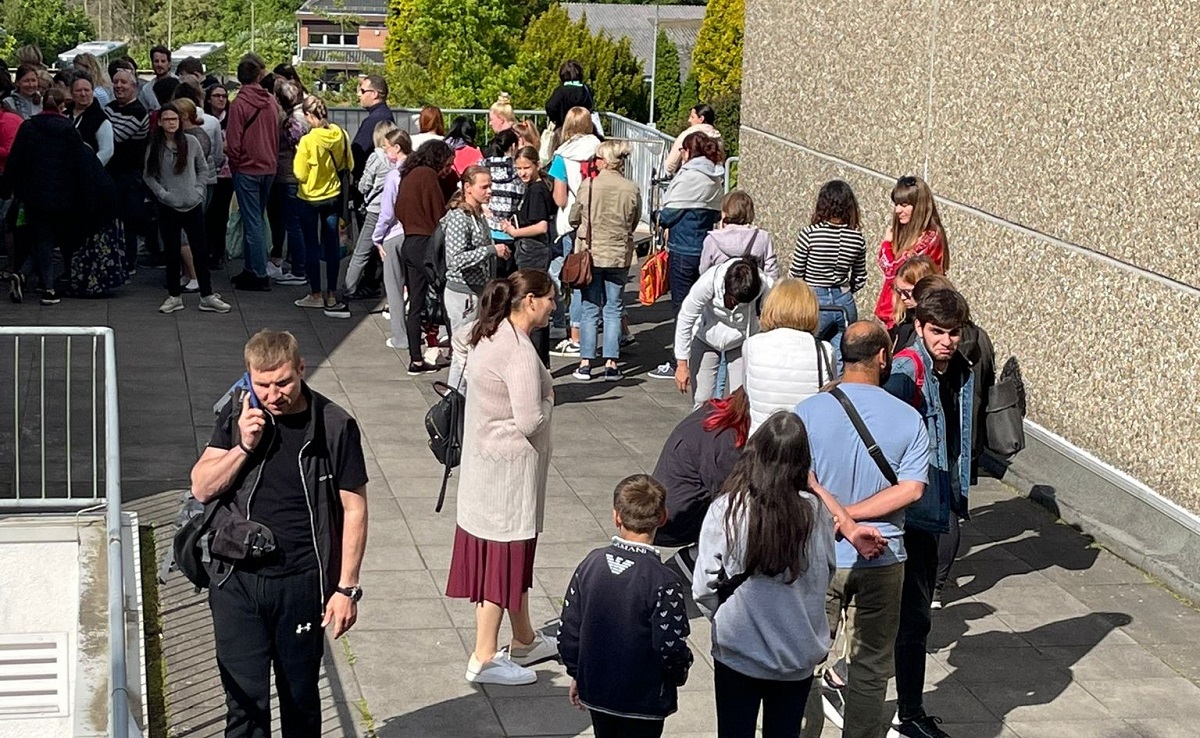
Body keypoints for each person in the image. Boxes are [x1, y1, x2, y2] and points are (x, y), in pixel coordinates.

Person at [190, 329, 368, 737]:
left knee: (301, 699)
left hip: (300, 583)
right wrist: (245, 446)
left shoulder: (334, 425)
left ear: (301, 370)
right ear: (249, 378)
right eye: (263, 384)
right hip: (237, 580)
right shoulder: (237, 414)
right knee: (244, 705)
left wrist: (346, 589)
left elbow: (354, 508)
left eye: (283, 382)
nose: (274, 394)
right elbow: (201, 487)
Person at [796, 321, 929, 738]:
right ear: (883, 357)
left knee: (803, 665)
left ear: (842, 356)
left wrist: (841, 519)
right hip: (885, 557)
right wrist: (856, 517)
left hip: (820, 553)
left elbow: (801, 479)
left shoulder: (808, 411)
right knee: (870, 670)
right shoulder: (908, 418)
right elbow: (911, 489)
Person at [691, 411, 838, 738]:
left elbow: (703, 585)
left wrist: (720, 617)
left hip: (738, 652)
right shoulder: (817, 512)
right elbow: (827, 571)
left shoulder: (728, 509)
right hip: (796, 656)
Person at [446, 271, 558, 686]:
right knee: (502, 562)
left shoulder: (488, 332)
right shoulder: (518, 351)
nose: (554, 307)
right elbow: (531, 420)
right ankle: (484, 656)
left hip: (484, 470)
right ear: (530, 301)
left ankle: (525, 639)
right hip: (506, 478)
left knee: (509, 558)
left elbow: (460, 343)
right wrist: (549, 398)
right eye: (550, 299)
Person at [882, 289, 974, 738]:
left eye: (954, 332)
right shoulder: (907, 371)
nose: (947, 341)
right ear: (918, 327)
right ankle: (909, 713)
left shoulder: (958, 367)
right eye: (937, 331)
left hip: (936, 501)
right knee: (910, 616)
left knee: (912, 616)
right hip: (911, 510)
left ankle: (909, 710)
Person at [558, 474, 694, 738]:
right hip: (644, 699)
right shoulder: (664, 579)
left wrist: (578, 672)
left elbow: (568, 630)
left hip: (598, 691)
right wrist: (680, 670)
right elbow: (670, 643)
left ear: (616, 516)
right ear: (662, 518)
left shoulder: (591, 564)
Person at [5, 88, 97, 305]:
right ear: (62, 106)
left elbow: (15, 161)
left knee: (42, 237)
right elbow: (81, 164)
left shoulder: (28, 127)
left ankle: (24, 274)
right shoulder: (69, 130)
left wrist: (8, 188)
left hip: (33, 194)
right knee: (49, 239)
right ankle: (48, 288)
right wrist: (87, 195)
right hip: (63, 195)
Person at [648, 132, 725, 380]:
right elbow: (714, 214)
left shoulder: (688, 176)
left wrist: (656, 215)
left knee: (682, 308)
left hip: (682, 249)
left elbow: (669, 215)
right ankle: (700, 352)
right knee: (703, 305)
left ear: (689, 152)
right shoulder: (716, 177)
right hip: (705, 249)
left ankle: (680, 360)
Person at [144, 102, 230, 315]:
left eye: (174, 119)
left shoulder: (191, 142)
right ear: (161, 122)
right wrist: (163, 195)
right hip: (168, 206)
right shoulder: (154, 145)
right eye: (167, 119)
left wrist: (199, 190)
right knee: (172, 252)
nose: (171, 123)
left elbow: (203, 167)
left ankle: (207, 295)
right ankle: (174, 296)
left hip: (192, 204)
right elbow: (148, 175)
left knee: (200, 250)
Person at [567, 140, 640, 382]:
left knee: (590, 308)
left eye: (598, 158)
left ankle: (586, 362)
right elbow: (634, 219)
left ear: (606, 161)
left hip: (591, 253)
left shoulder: (589, 185)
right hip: (619, 254)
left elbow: (573, 217)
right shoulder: (631, 188)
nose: (595, 162)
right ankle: (612, 362)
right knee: (614, 308)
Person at [652, 388, 749, 555]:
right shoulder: (726, 441)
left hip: (667, 510)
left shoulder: (714, 414)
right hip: (677, 522)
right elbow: (732, 496)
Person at [395, 140, 459, 373]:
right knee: (447, 295)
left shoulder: (408, 174)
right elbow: (438, 213)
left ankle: (415, 359)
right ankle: (455, 351)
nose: (448, 169)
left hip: (409, 241)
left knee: (416, 303)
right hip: (426, 243)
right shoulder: (428, 176)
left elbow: (398, 209)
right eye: (448, 164)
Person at [791, 180, 868, 371]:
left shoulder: (809, 234)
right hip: (844, 301)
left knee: (808, 354)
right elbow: (860, 277)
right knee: (841, 359)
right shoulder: (856, 238)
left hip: (815, 300)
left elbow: (795, 274)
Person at [673, 258, 772, 406]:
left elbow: (772, 322)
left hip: (741, 340)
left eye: (741, 303)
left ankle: (731, 427)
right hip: (706, 337)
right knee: (701, 397)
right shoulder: (710, 281)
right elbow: (686, 317)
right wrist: (682, 364)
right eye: (733, 300)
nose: (734, 306)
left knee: (738, 400)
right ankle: (700, 426)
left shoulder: (767, 287)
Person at [742, 279, 834, 435]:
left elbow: (747, 388)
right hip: (804, 442)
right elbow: (828, 399)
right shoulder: (823, 350)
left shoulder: (751, 345)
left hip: (761, 440)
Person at [443, 165, 509, 387]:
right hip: (463, 295)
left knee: (471, 349)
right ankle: (453, 401)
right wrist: (491, 251)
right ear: (468, 188)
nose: (490, 191)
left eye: (490, 186)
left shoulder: (477, 213)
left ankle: (464, 399)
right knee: (462, 351)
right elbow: (455, 259)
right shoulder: (459, 217)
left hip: (477, 292)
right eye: (485, 187)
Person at [547, 107, 601, 356]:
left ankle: (576, 336)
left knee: (577, 279)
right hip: (601, 221)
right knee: (604, 279)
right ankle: (616, 332)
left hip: (573, 224)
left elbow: (559, 199)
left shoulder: (562, 156)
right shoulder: (601, 151)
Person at [292, 95, 352, 318]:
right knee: (332, 243)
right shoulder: (341, 134)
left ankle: (315, 294)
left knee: (311, 245)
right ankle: (332, 293)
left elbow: (300, 173)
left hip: (309, 196)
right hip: (333, 195)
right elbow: (349, 163)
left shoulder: (308, 140)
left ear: (309, 116)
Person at [227, 54, 282, 292]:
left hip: (247, 168)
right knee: (257, 219)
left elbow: (233, 141)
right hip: (268, 166)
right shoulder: (270, 101)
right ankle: (251, 269)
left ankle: (258, 273)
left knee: (252, 223)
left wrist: (236, 164)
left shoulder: (239, 103)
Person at [498, 145, 556, 364]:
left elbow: (541, 226)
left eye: (526, 167)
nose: (522, 172)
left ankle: (538, 358)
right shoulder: (532, 188)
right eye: (518, 168)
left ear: (536, 165)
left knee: (533, 304)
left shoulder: (537, 190)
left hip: (533, 252)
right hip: (530, 250)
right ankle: (537, 357)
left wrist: (515, 231)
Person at [875, 175, 948, 327]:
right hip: (895, 312)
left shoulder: (930, 237)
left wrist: (886, 245)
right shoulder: (910, 233)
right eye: (896, 204)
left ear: (919, 205)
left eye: (904, 204)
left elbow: (893, 269)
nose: (897, 210)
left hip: (911, 313)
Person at [345, 118, 399, 299]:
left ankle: (348, 289)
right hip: (395, 211)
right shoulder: (399, 158)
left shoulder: (376, 156)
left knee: (361, 252)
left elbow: (365, 184)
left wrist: (360, 190)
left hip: (375, 209)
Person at [105, 68, 151, 273]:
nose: (119, 86)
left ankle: (129, 262)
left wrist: (100, 129)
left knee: (129, 219)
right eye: (116, 82)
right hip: (111, 174)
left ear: (134, 87)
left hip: (130, 176)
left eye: (124, 82)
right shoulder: (110, 106)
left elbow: (113, 137)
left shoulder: (139, 112)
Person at [372, 128, 414, 350]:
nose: (385, 150)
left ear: (397, 148)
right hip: (416, 234)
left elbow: (387, 211)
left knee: (395, 288)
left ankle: (400, 337)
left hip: (394, 235)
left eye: (387, 147)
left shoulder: (394, 176)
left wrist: (376, 237)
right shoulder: (419, 172)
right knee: (416, 287)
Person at [267, 80, 310, 286]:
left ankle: (299, 269)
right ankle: (301, 267)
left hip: (289, 176)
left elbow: (297, 149)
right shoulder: (304, 115)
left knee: (293, 224)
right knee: (297, 223)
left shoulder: (293, 121)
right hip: (296, 177)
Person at [700, 190, 779, 277]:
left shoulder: (712, 240)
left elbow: (704, 272)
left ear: (724, 213)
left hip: (721, 288)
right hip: (755, 287)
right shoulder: (763, 237)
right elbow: (772, 271)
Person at [204, 83, 234, 269]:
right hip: (209, 171)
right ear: (209, 99)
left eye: (224, 96)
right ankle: (208, 249)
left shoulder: (231, 119)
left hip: (227, 173)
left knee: (221, 214)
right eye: (217, 96)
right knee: (208, 214)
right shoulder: (204, 119)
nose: (221, 99)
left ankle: (218, 251)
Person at [479, 128, 523, 251]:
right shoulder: (519, 169)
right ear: (514, 146)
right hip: (511, 229)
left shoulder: (482, 166)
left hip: (487, 228)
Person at [888, 255, 940, 350]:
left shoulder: (937, 321)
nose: (903, 298)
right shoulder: (905, 318)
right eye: (899, 292)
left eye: (907, 292)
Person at [351, 74, 394, 185]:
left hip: (369, 181)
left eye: (363, 91)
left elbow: (357, 152)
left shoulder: (374, 120)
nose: (359, 94)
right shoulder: (385, 114)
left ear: (374, 94)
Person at [69, 72, 114, 165]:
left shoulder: (101, 120)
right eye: (78, 90)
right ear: (72, 93)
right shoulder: (64, 115)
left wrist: (90, 168)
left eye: (87, 90)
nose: (83, 94)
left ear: (92, 92)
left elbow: (107, 152)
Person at [665, 103, 722, 175]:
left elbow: (671, 163)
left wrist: (670, 173)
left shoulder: (688, 135)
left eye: (692, 117)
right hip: (714, 178)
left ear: (701, 119)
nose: (689, 120)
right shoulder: (718, 137)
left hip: (690, 177)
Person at [546, 60, 594, 129]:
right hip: (584, 129)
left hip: (564, 129)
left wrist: (558, 119)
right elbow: (590, 107)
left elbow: (550, 107)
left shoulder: (561, 91)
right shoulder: (586, 90)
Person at [139, 45, 174, 112]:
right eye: (156, 61)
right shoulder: (146, 90)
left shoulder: (179, 83)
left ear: (169, 63)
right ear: (152, 64)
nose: (159, 64)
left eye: (163, 61)